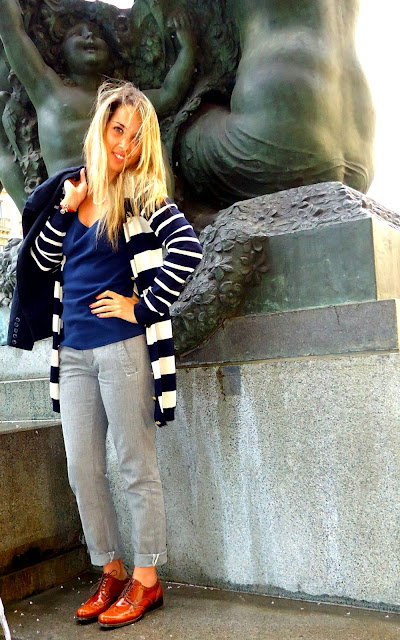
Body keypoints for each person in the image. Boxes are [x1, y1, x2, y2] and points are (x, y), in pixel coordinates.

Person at [7, 81, 202, 629]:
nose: (125, 145)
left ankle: (147, 579)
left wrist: (140, 306)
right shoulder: (72, 192)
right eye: (119, 130)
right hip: (72, 353)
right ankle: (111, 570)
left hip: (121, 349)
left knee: (135, 465)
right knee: (82, 467)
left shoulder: (142, 195)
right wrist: (65, 210)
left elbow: (187, 249)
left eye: (137, 138)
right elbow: (42, 262)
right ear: (102, 127)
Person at [0, 0, 196, 209]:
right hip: (73, 209)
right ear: (61, 52)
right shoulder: (49, 90)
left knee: (153, 143)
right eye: (77, 34)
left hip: (126, 205)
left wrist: (188, 48)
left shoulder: (125, 101)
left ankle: (164, 214)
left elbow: (169, 94)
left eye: (98, 35)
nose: (89, 36)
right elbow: (12, 32)